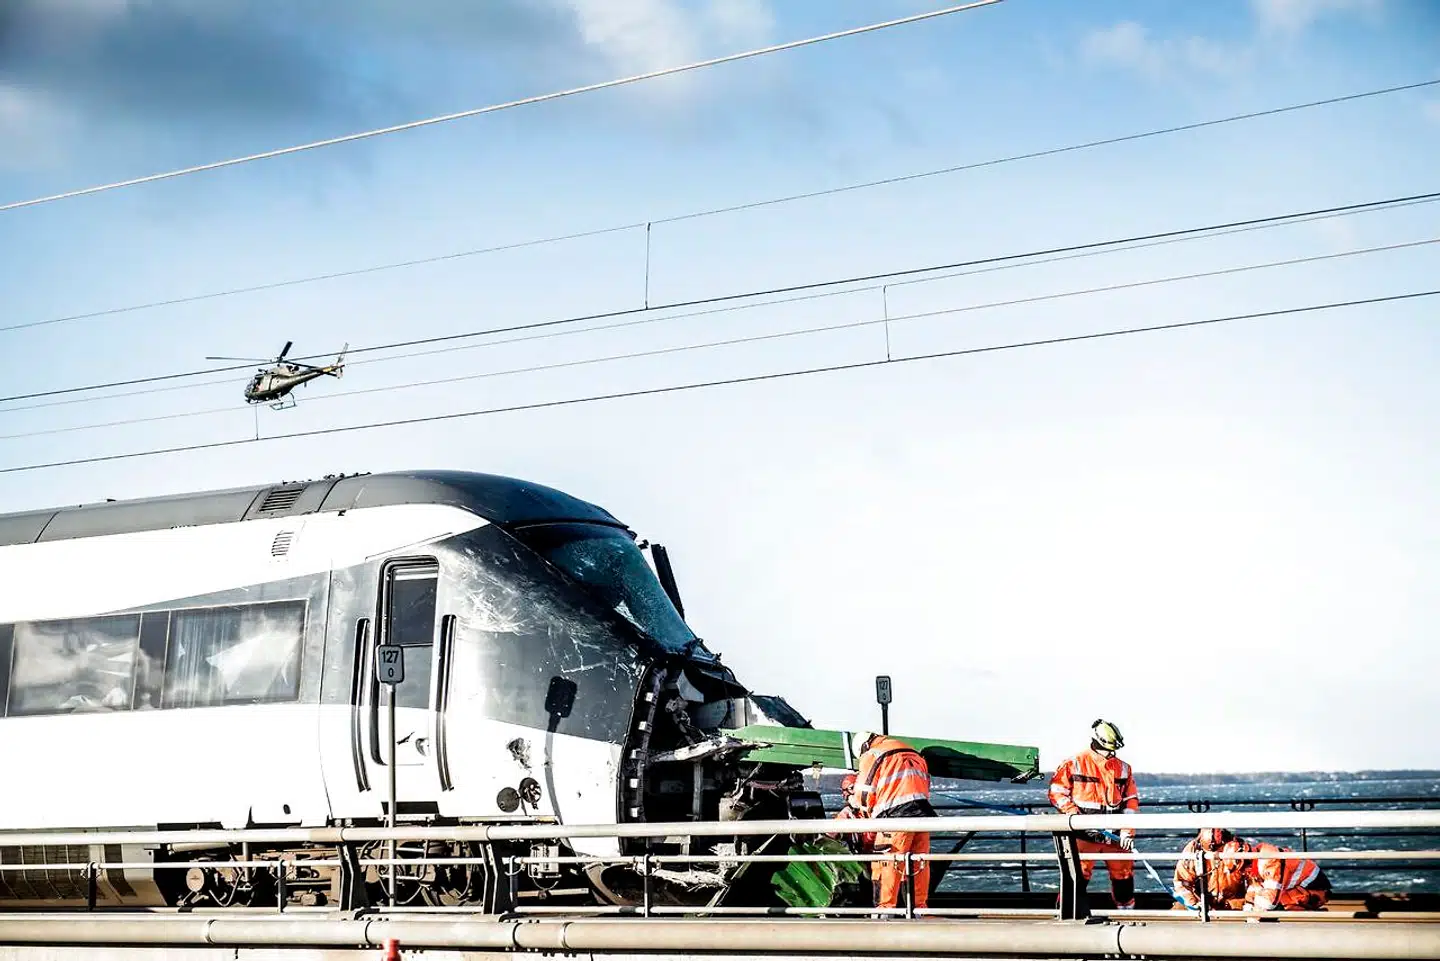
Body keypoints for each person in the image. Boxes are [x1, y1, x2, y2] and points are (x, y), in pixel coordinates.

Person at [1048, 718, 1140, 909]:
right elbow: (1057, 792)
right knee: (1078, 874)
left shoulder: (1123, 768)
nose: (1111, 753)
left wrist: (1127, 831)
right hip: (1083, 834)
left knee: (1123, 874)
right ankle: (1066, 912)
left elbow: (1130, 801)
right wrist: (1075, 816)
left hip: (1114, 835)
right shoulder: (1074, 764)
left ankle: (1126, 912)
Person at [851, 730, 934, 912]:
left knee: (886, 863)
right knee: (919, 863)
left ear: (863, 746)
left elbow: (864, 794)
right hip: (922, 814)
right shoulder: (910, 751)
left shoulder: (872, 754)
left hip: (894, 817)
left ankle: (885, 910)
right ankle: (919, 909)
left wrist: (860, 809)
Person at [1242, 841, 1331, 913]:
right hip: (1301, 887)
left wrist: (1254, 912)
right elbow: (1255, 889)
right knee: (1270, 901)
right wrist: (1248, 906)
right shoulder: (1256, 862)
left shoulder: (1270, 860)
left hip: (1316, 891)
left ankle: (1310, 912)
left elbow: (1270, 902)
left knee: (1277, 905)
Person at [1173, 828, 1249, 911]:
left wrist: (1247, 904)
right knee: (1177, 911)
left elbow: (1254, 881)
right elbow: (1181, 882)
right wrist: (1194, 903)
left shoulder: (1239, 848)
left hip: (1234, 906)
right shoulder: (1193, 849)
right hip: (1201, 904)